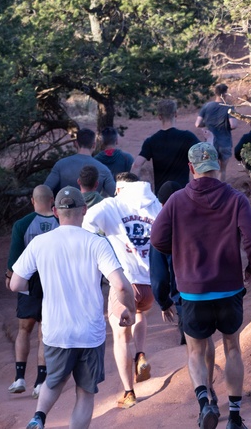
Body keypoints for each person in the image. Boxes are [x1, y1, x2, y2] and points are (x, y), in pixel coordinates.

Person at [150, 143, 251, 429]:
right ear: (217, 166)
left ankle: (205, 403)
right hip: (229, 288)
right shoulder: (236, 199)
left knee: (196, 351)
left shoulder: (176, 200)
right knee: (232, 347)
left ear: (191, 168)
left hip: (192, 291)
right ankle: (235, 417)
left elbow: (157, 240)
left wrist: (180, 249)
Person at [11, 186, 137, 429]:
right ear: (85, 210)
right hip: (89, 332)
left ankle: (38, 417)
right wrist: (130, 310)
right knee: (85, 392)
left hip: (56, 331)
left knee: (53, 381)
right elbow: (121, 285)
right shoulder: (96, 243)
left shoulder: (40, 243)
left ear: (55, 211)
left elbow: (16, 283)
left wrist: (39, 286)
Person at [82, 172, 161, 409]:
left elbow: (87, 227)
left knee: (119, 337)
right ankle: (141, 355)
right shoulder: (155, 204)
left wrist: (106, 240)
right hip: (150, 284)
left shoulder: (111, 205)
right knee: (140, 313)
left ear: (118, 189)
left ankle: (129, 392)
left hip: (124, 283)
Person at [6, 185, 58, 398]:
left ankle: (19, 377)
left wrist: (10, 278)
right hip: (53, 285)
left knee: (24, 329)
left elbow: (14, 261)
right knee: (43, 333)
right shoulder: (60, 222)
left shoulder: (22, 224)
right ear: (52, 200)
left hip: (28, 284)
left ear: (32, 200)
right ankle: (40, 382)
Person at [131, 99, 201, 193]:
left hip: (162, 196)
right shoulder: (187, 137)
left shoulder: (151, 141)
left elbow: (136, 165)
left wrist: (133, 190)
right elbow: (204, 153)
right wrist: (210, 138)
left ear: (159, 116)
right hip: (182, 194)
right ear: (175, 114)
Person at [45, 128, 115, 198]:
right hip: (92, 208)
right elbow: (115, 195)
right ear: (94, 145)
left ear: (75, 144)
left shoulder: (60, 165)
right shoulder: (104, 169)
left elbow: (45, 190)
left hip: (65, 207)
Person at [195, 84, 239, 181]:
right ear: (225, 93)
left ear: (215, 93)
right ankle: (220, 190)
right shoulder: (229, 107)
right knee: (222, 170)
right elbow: (233, 125)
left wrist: (208, 124)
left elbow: (197, 124)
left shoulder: (207, 106)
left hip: (210, 143)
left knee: (210, 169)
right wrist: (225, 126)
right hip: (224, 142)